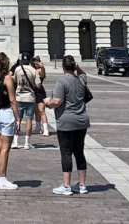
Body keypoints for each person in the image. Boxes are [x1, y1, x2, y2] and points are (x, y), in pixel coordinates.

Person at [45, 55, 91, 196]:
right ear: (73, 66)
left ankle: (66, 186)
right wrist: (77, 67)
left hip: (66, 121)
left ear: (63, 67)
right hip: (82, 120)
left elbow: (57, 101)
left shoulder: (62, 81)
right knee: (79, 152)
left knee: (66, 153)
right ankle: (82, 185)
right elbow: (84, 74)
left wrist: (47, 102)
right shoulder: (81, 80)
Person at [0, 52, 18, 190]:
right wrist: (17, 118)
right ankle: (3, 178)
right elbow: (12, 99)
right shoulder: (7, 79)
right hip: (6, 112)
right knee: (5, 148)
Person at [10, 52, 41, 149]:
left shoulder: (17, 69)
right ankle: (27, 143)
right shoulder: (33, 70)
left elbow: (14, 80)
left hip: (19, 96)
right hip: (30, 97)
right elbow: (38, 85)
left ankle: (15, 141)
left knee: (17, 119)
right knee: (29, 120)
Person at [31, 56, 50, 136]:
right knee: (36, 111)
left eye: (37, 61)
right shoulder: (31, 70)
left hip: (40, 92)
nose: (36, 63)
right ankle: (38, 127)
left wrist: (42, 67)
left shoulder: (40, 70)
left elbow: (42, 74)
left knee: (41, 110)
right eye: (34, 61)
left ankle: (45, 129)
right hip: (33, 91)